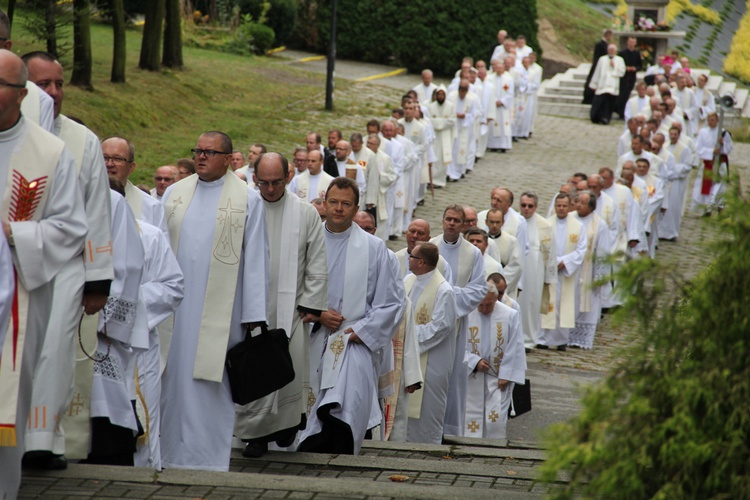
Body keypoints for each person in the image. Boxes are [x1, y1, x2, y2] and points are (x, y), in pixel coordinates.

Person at [19, 50, 114, 470]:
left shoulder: (83, 140)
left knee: (53, 351)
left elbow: (96, 212)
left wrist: (97, 279)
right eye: (44, 84)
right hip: (14, 264)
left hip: (65, 268)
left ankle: (42, 439)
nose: (55, 92)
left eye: (60, 84)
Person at [0, 48, 87, 498]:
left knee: (5, 403)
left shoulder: (49, 153)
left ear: (20, 95)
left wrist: (13, 235)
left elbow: (71, 227)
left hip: (18, 303)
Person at [160, 131, 269, 471]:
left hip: (223, 312)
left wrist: (253, 314)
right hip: (174, 309)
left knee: (211, 382)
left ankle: (208, 459)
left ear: (228, 158)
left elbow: (256, 261)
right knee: (171, 379)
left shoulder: (248, 199)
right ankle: (167, 453)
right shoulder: (176, 193)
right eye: (198, 151)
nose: (201, 157)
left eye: (210, 152)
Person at [298, 177, 403, 455]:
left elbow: (392, 301)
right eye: (333, 202)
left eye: (346, 204)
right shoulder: (307, 241)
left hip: (354, 336)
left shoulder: (374, 248)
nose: (338, 209)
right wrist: (319, 314)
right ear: (324, 202)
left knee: (348, 397)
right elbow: (288, 288)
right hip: (311, 333)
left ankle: (340, 447)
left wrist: (361, 332)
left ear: (356, 208)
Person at [235, 153, 328, 458]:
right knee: (256, 370)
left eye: (277, 182)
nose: (271, 189)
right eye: (264, 182)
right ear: (254, 179)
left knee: (286, 369)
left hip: (291, 308)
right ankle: (256, 436)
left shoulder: (305, 214)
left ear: (289, 176)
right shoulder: (244, 209)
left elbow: (316, 262)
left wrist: (311, 303)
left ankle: (287, 424)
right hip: (250, 306)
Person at [64, 181, 145, 467]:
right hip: (57, 310)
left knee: (98, 390)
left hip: (95, 317)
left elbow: (127, 264)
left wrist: (103, 317)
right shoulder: (53, 192)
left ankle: (106, 453)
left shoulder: (111, 201)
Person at [430, 205, 486, 437]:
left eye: (456, 220)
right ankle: (428, 425)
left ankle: (449, 429)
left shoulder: (473, 253)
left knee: (452, 377)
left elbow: (478, 290)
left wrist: (448, 296)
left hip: (457, 325)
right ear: (442, 221)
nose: (451, 223)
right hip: (429, 322)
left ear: (464, 225)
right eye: (448, 219)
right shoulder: (431, 247)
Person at [133, 218, 184, 470]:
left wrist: (123, 301)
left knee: (142, 416)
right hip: (85, 340)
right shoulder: (76, 231)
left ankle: (143, 473)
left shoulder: (149, 235)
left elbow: (173, 286)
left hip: (136, 345)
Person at [403, 243, 457, 444]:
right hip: (407, 358)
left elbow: (440, 328)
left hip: (432, 363)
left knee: (427, 409)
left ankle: (427, 449)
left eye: (411, 256)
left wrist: (408, 337)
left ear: (421, 262)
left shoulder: (444, 290)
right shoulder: (408, 280)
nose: (408, 258)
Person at [464, 280, 526, 439]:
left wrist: (506, 373)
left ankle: (494, 448)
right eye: (481, 305)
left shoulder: (509, 314)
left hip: (497, 377)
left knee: (495, 419)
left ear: (496, 299)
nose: (484, 309)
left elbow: (516, 345)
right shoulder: (466, 313)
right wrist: (474, 361)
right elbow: (457, 347)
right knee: (471, 417)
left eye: (488, 305)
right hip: (472, 375)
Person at [538, 194, 587, 350]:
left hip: (566, 273)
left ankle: (560, 340)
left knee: (563, 305)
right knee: (547, 303)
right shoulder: (546, 224)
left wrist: (563, 262)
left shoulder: (578, 226)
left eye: (564, 206)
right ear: (554, 206)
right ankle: (543, 339)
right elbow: (539, 247)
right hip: (548, 272)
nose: (561, 208)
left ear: (570, 206)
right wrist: (552, 263)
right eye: (558, 205)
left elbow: (581, 250)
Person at [102, 136, 168, 235]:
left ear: (131, 167)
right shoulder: (80, 197)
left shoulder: (151, 207)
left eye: (117, 159)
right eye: (104, 157)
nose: (110, 164)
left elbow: (158, 247)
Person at [569, 191, 609, 350]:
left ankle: (579, 340)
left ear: (592, 206)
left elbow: (603, 252)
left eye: (583, 203)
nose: (578, 205)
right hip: (570, 269)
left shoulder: (600, 224)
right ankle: (563, 335)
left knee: (586, 304)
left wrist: (600, 277)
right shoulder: (570, 218)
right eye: (577, 201)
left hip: (588, 271)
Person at [517, 192, 557, 350]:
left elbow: (551, 252)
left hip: (535, 271)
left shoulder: (545, 225)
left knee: (531, 304)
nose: (526, 209)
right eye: (523, 205)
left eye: (530, 206)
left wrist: (549, 277)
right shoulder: (515, 221)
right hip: (518, 270)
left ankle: (528, 340)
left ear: (536, 207)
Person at [363, 134, 397, 241]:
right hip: (364, 193)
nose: (369, 146)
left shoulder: (385, 158)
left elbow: (392, 177)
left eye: (372, 144)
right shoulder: (363, 155)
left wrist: (379, 176)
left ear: (378, 145)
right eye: (368, 143)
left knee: (378, 222)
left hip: (379, 196)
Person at [484, 208, 523, 298]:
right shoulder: (480, 240)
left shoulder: (511, 241)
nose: (494, 225)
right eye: (491, 222)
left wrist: (498, 284)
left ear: (503, 222)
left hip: (504, 290)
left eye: (497, 222)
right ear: (486, 222)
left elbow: (516, 266)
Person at [447, 79, 480, 182]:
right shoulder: (451, 96)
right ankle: (448, 172)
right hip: (453, 127)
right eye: (461, 90)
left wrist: (465, 116)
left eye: (464, 90)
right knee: (451, 149)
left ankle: (459, 171)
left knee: (461, 150)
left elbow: (475, 114)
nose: (462, 93)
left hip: (464, 128)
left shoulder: (472, 99)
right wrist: (454, 115)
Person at [589, 44, 626, 125]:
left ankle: (606, 118)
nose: (611, 52)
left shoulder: (620, 60)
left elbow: (622, 73)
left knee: (609, 104)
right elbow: (597, 71)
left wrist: (614, 66)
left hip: (612, 86)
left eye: (613, 50)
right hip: (602, 85)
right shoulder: (602, 59)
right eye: (610, 50)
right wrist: (594, 84)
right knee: (598, 102)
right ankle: (595, 117)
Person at [427, 85, 455, 188]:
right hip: (434, 136)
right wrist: (442, 122)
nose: (441, 96)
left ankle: (439, 181)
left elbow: (452, 121)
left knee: (442, 158)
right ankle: (431, 180)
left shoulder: (450, 106)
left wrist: (438, 122)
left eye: (443, 94)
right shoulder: (431, 106)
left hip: (445, 136)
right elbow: (429, 120)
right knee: (433, 158)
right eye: (439, 94)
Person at [487, 58, 514, 153]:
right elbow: (489, 92)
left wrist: (502, 101)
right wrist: (494, 101)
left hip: (503, 107)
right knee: (493, 124)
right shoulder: (490, 78)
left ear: (503, 69)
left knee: (504, 125)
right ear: (494, 69)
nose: (499, 70)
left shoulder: (508, 79)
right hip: (493, 106)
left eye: (500, 68)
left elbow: (510, 93)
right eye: (497, 68)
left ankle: (503, 145)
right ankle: (493, 145)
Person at [583, 29, 613, 104]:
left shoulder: (605, 44)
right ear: (608, 35)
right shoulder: (600, 44)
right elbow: (597, 56)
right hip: (598, 66)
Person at [615, 37, 642, 118]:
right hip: (623, 76)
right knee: (622, 94)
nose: (631, 44)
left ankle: (624, 111)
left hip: (632, 76)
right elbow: (618, 63)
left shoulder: (637, 53)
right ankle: (620, 111)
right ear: (627, 42)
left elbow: (640, 65)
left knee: (627, 94)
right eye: (630, 42)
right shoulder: (622, 53)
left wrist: (635, 68)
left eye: (633, 42)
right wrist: (625, 68)